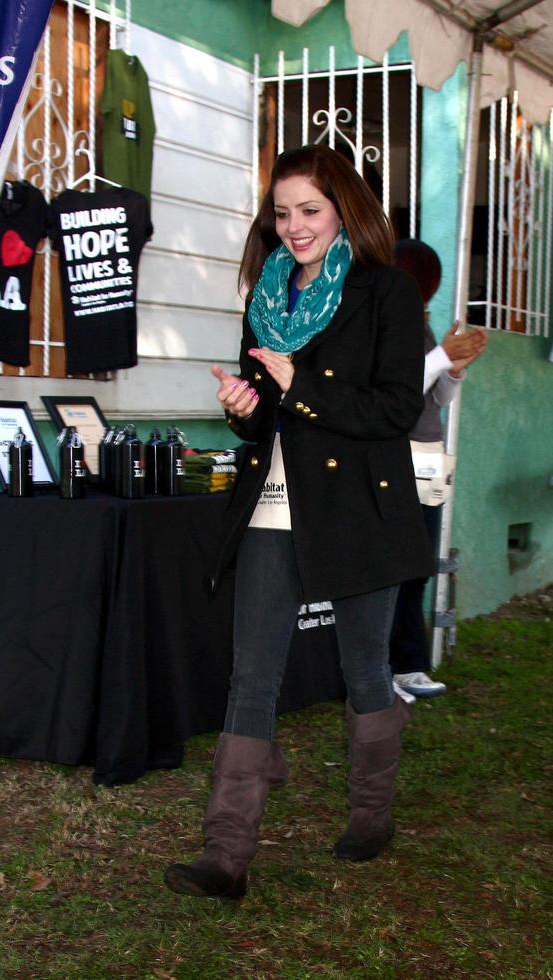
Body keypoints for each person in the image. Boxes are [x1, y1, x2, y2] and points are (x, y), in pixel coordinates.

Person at [163, 145, 433, 900]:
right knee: (251, 673)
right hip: (273, 506)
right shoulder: (267, 295)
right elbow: (262, 415)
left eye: (308, 210)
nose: (293, 227)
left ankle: (372, 816)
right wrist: (245, 409)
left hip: (358, 511)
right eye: (281, 212)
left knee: (364, 670)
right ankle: (226, 856)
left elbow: (393, 410)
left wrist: (298, 385)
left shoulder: (387, 293)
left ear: (344, 207)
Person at [389, 239, 487, 704]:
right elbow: (395, 390)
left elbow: (434, 398)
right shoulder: (385, 322)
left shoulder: (421, 325)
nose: (428, 291)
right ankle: (384, 669)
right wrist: (441, 358)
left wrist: (455, 369)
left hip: (427, 454)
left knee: (418, 567)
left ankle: (408, 666)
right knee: (394, 568)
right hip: (395, 456)